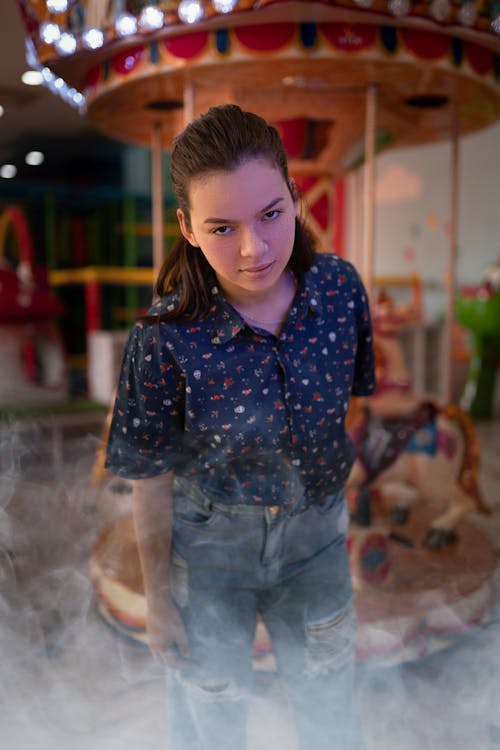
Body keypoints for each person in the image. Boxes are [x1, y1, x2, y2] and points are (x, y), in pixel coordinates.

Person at [105, 104, 375, 750]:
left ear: (295, 198)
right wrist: (160, 599)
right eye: (222, 227)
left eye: (271, 215)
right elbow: (149, 475)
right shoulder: (163, 336)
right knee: (210, 725)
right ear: (187, 228)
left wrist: (341, 511)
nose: (253, 249)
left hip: (315, 545)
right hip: (209, 554)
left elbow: (355, 404)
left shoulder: (338, 291)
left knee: (331, 714)